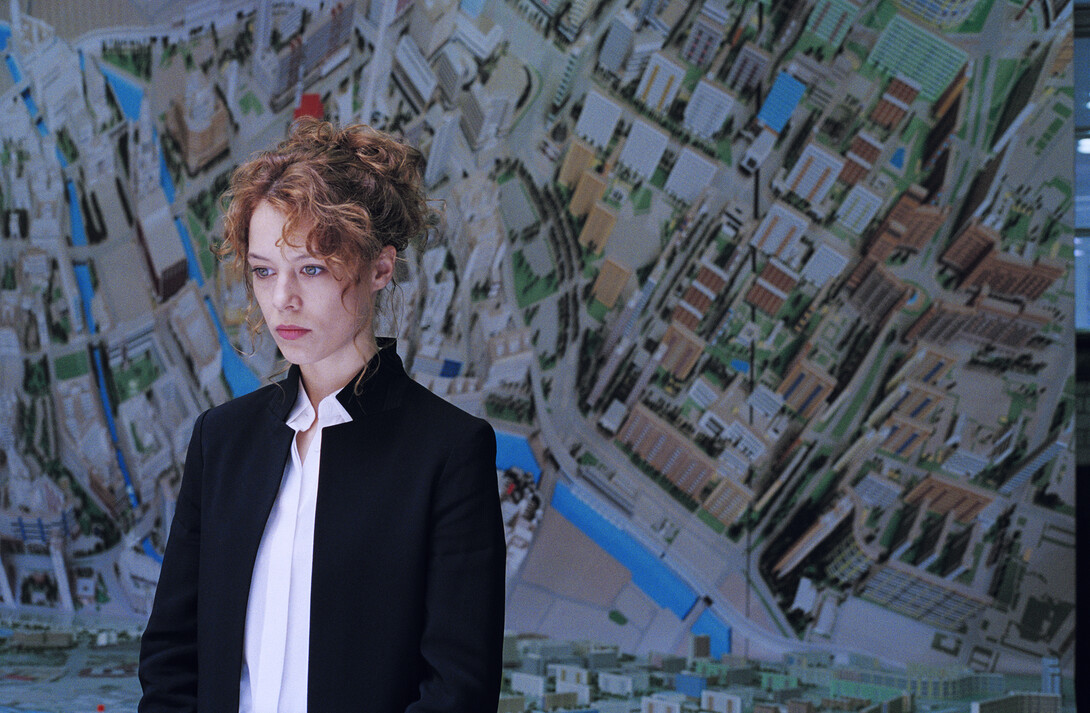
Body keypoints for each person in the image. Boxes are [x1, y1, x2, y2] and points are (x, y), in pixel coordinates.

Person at [138, 118, 506, 712]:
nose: (282, 298)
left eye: (311, 268)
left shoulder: (449, 453)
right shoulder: (221, 440)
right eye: (264, 270)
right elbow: (171, 658)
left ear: (380, 268)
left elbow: (457, 692)